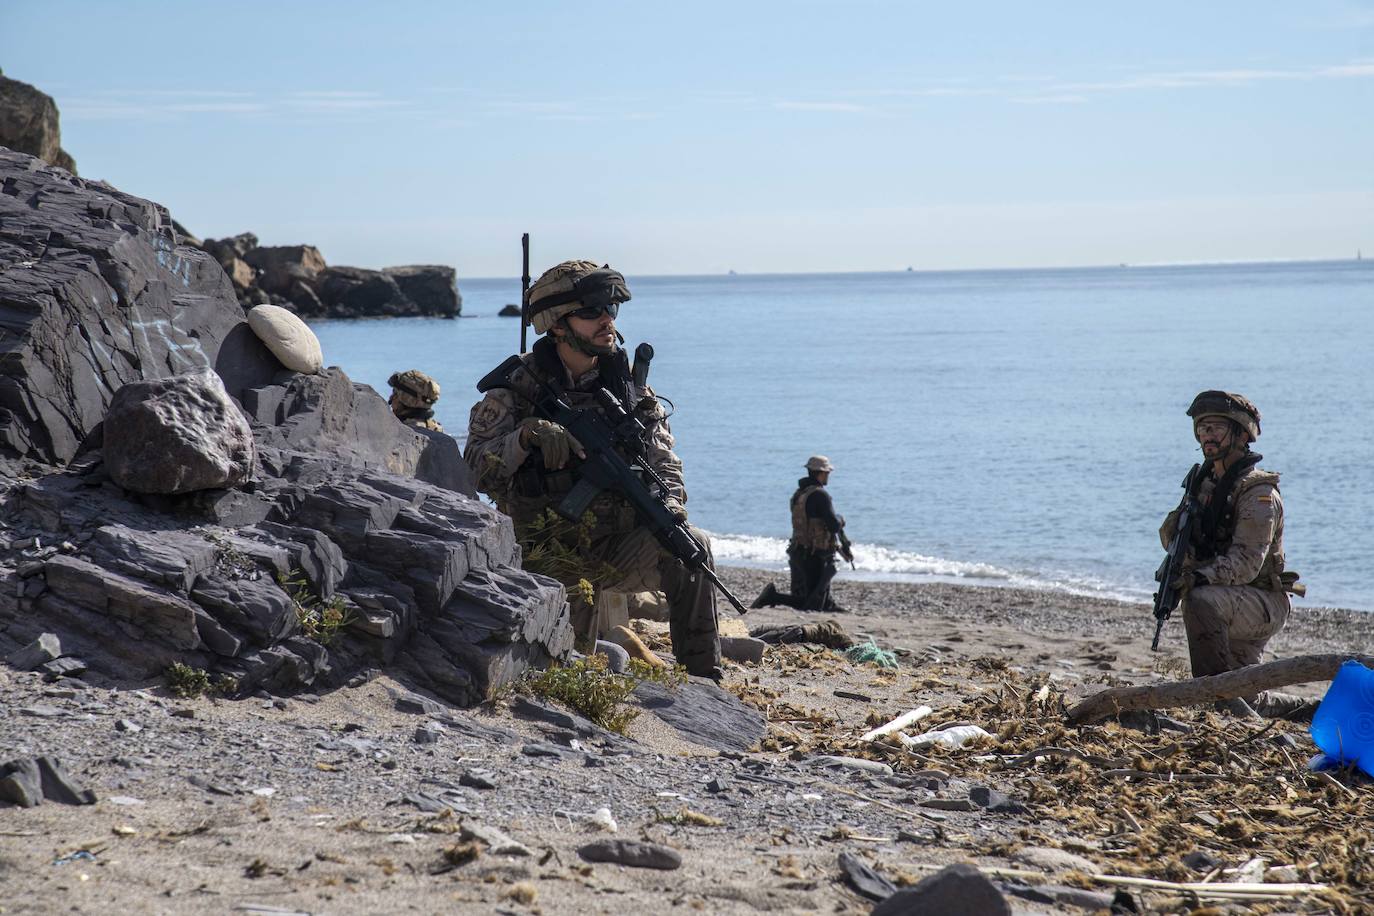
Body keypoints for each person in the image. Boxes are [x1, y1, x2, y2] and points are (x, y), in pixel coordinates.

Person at [463, 259, 722, 680]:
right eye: (591, 312)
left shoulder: (630, 389)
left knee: (690, 549)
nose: (606, 320)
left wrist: (671, 505)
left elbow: (664, 460)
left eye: (611, 311)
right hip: (547, 551)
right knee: (564, 672)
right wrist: (525, 437)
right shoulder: (517, 389)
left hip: (616, 545)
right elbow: (473, 470)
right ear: (557, 325)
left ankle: (703, 679)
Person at [1160, 390, 1303, 717]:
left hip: (1261, 600)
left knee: (1199, 601)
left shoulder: (1259, 493)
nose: (1207, 436)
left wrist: (1197, 576)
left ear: (1241, 435)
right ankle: (1307, 711)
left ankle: (1217, 701)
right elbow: (1172, 537)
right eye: (1202, 429)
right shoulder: (1203, 485)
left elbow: (1248, 563)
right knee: (1250, 699)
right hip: (1230, 597)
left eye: (1216, 428)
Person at [751, 455, 852, 612]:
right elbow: (833, 525)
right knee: (810, 602)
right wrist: (841, 519)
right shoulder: (820, 495)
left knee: (816, 594)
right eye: (827, 473)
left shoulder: (800, 494)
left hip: (799, 551)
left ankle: (829, 605)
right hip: (814, 554)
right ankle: (772, 597)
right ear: (821, 473)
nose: (828, 476)